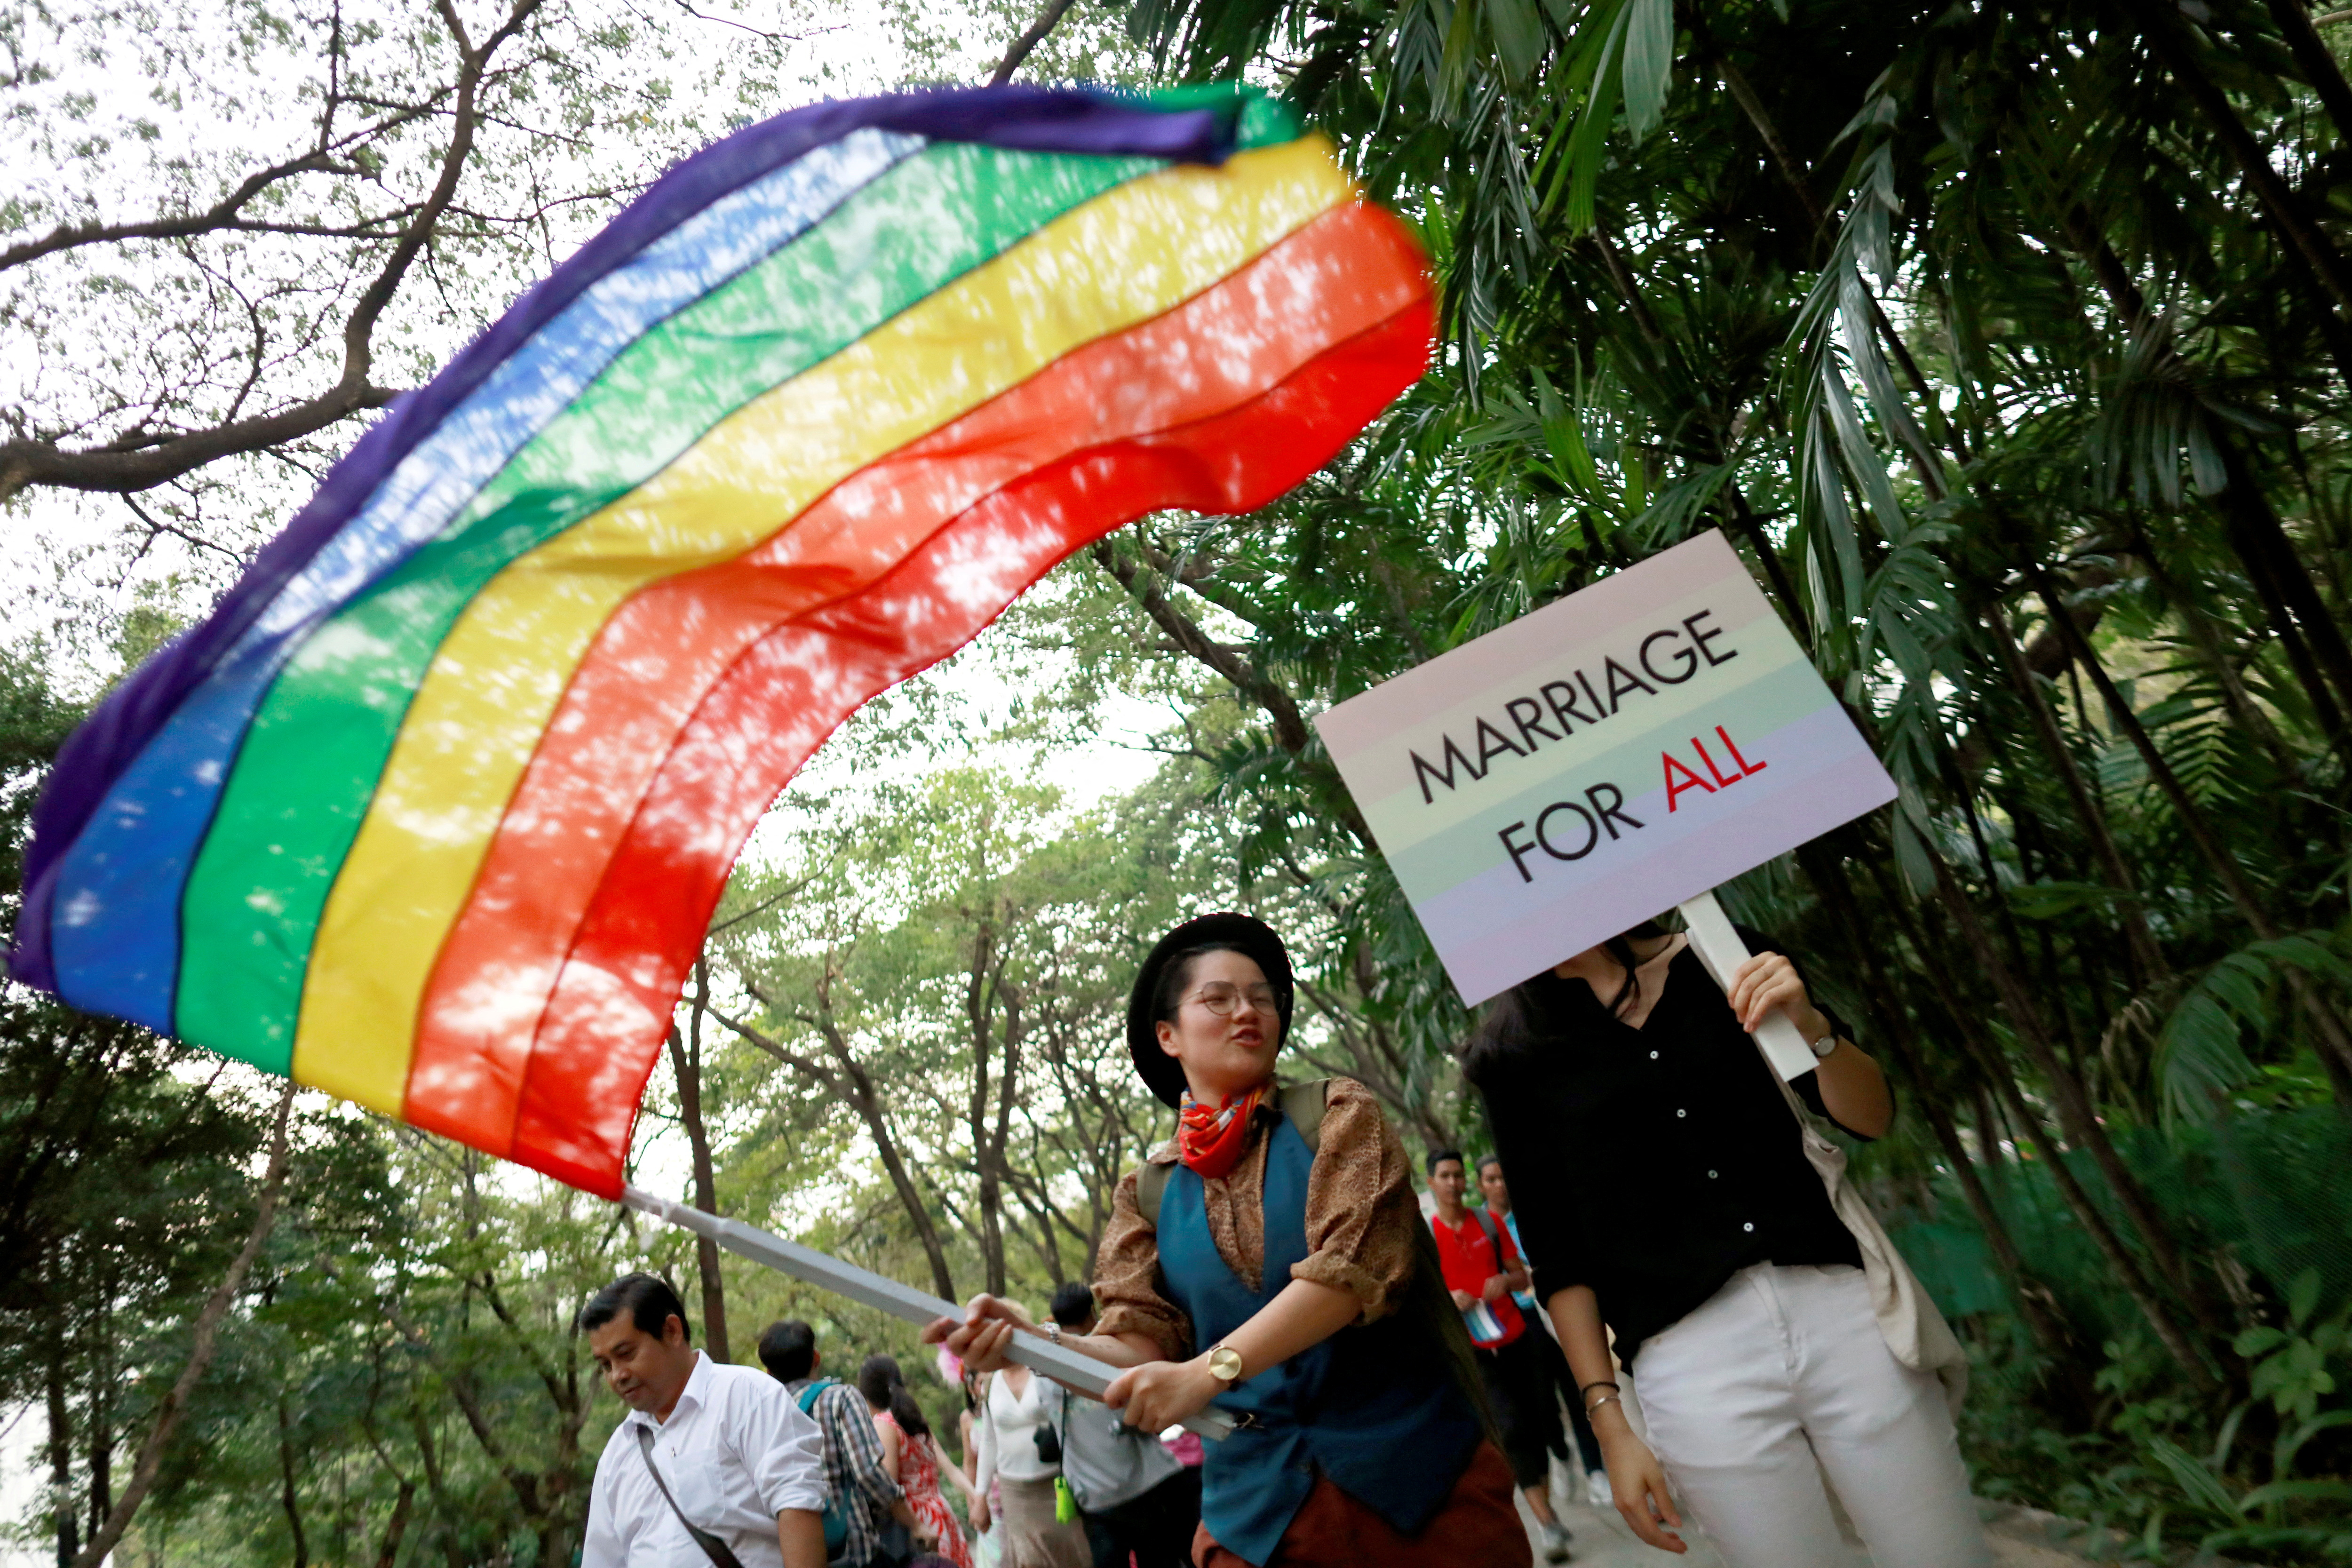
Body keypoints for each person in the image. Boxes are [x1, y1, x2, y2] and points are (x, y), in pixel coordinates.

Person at [928, 912, 1529, 1568]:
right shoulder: (1147, 1193)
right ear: (1168, 1035)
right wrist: (1039, 1342)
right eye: (1218, 998)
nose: (1249, 1011)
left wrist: (1206, 1373)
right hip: (1257, 1518)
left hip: (1423, 1488)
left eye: (1262, 997)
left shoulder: (1338, 1116)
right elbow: (1138, 1343)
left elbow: (1345, 1277)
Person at [1465, 921, 1989, 1568]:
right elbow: (1559, 1256)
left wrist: (1809, 1023)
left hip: (1844, 1313)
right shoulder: (1512, 1054)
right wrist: (1610, 1423)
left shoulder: (1723, 954)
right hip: (1691, 1366)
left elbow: (1870, 1116)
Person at [580, 1274, 828, 1568]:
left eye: (626, 1354)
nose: (617, 1375)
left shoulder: (746, 1397)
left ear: (672, 1331)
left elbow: (797, 1507)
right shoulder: (617, 1455)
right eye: (606, 1365)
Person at [1425, 1150, 1571, 1562]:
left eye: (1459, 1174)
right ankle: (1548, 1523)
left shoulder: (1486, 1223)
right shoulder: (1427, 1235)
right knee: (1510, 1430)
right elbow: (1423, 1302)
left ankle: (1551, 1486)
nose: (1454, 1182)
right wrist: (1449, 1299)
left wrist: (1503, 1281)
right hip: (1475, 1353)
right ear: (1432, 1181)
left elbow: (1522, 1274)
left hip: (1518, 1339)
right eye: (1445, 1175)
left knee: (1540, 1419)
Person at [1039, 1282, 1203, 1568]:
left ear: (1056, 1321)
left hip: (1094, 1496)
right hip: (1146, 1485)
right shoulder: (1115, 1358)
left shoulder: (1043, 1373)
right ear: (1093, 1312)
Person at [1478, 1155, 1609, 1504]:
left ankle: (1596, 1470)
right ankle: (1561, 1457)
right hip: (1520, 1323)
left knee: (1575, 1388)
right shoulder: (1483, 1224)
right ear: (1481, 1185)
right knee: (1543, 1403)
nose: (1500, 1184)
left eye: (1503, 1177)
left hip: (1555, 1309)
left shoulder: (1531, 1213)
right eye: (1491, 1179)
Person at [756, 1319, 936, 1566]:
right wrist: (915, 1525)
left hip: (795, 1555)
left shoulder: (762, 1414)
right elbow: (868, 1472)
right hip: (853, 1551)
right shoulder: (839, 1398)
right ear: (816, 1358)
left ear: (768, 1372)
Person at [967, 1300, 1091, 1568]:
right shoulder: (990, 1383)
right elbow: (989, 1440)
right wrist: (980, 1497)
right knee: (1029, 1560)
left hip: (1059, 1485)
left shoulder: (1046, 1371)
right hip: (1017, 1493)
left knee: (1075, 1556)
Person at [858, 1354, 977, 1568]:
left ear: (865, 1394)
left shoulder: (884, 1425)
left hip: (915, 1523)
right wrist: (977, 1496)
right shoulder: (914, 1418)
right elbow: (950, 1469)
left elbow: (888, 1488)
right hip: (941, 1515)